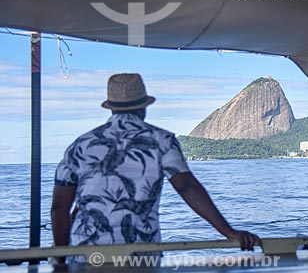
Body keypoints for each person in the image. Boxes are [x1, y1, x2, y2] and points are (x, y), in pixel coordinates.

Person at [51, 73, 261, 261]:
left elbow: (60, 206)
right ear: (143, 106)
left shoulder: (81, 144)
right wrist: (228, 232)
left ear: (112, 107)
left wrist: (60, 256)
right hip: (141, 253)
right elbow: (186, 186)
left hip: (86, 254)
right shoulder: (161, 140)